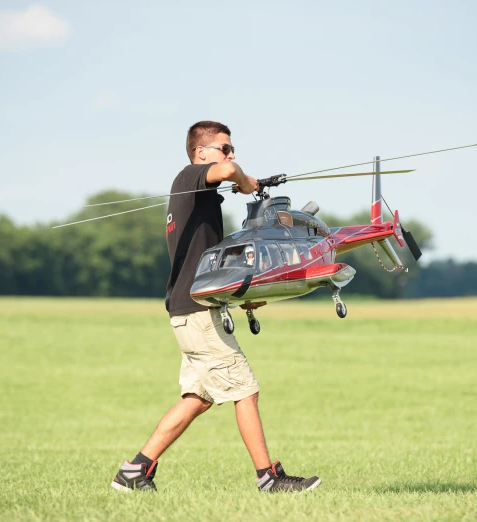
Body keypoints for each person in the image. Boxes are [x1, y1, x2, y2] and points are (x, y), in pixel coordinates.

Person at [111, 121, 321, 493]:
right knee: (245, 390)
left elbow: (210, 268)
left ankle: (134, 471)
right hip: (196, 313)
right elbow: (226, 171)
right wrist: (245, 181)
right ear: (201, 152)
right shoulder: (189, 177)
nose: (231, 155)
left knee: (198, 398)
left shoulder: (199, 201)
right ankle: (268, 479)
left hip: (193, 310)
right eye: (226, 148)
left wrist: (242, 297)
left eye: (231, 149)